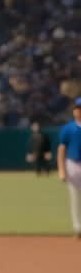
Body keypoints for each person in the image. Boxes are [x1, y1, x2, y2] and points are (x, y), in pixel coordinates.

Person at [57, 98, 81, 238]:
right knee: (74, 198)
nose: (78, 110)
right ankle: (78, 229)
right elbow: (61, 149)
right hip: (72, 164)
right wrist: (61, 169)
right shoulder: (68, 128)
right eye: (77, 108)